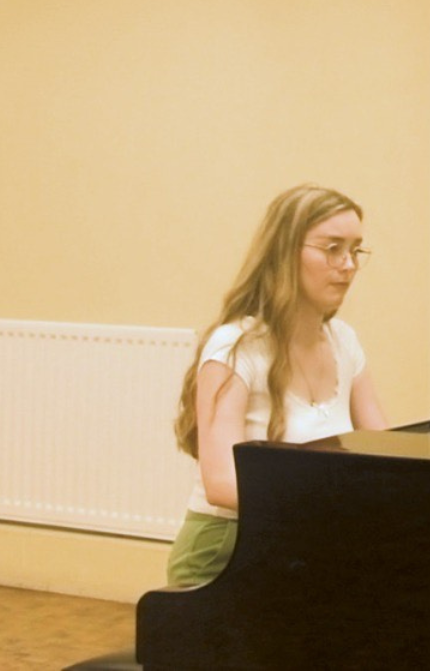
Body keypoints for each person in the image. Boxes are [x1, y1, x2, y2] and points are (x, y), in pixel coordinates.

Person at [164, 184, 389, 587]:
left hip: (303, 543)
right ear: (285, 253)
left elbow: (385, 451)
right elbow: (221, 484)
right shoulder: (236, 348)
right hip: (225, 551)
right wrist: (331, 504)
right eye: (332, 248)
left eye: (355, 250)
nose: (348, 264)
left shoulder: (345, 341)